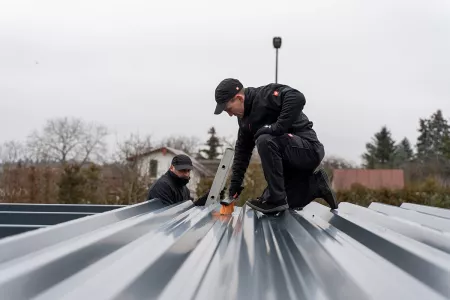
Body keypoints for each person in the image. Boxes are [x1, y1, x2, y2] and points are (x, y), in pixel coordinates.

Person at [214, 78, 338, 215]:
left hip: (308, 149)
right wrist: (234, 186)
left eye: (229, 109)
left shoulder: (264, 96)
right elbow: (242, 151)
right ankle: (316, 185)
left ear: (239, 98)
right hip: (290, 160)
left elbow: (297, 97)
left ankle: (277, 200)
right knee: (272, 200)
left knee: (265, 139)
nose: (230, 114)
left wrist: (276, 128)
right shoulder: (244, 120)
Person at [146, 154, 218, 206]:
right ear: (171, 168)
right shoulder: (162, 187)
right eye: (183, 170)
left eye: (188, 171)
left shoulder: (183, 187)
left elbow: (190, 208)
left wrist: (209, 196)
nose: (186, 174)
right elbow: (166, 218)